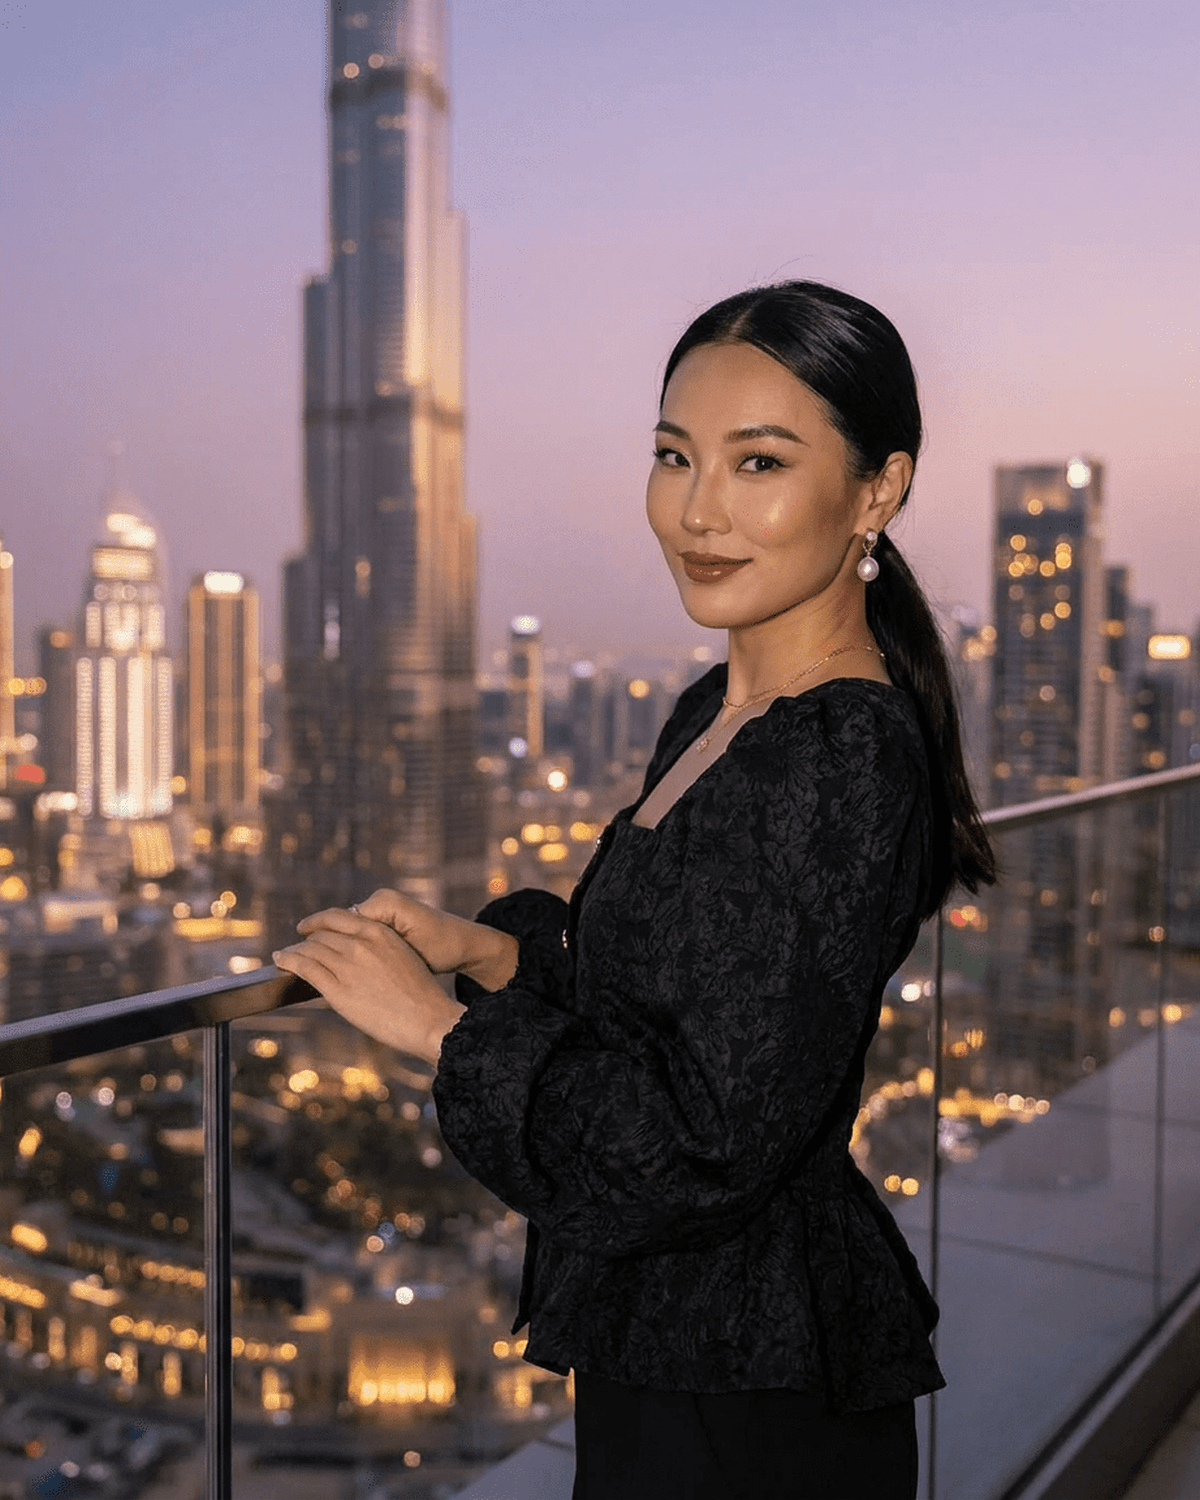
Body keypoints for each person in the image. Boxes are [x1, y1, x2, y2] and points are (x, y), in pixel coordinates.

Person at [273, 279, 996, 1500]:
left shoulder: (841, 754)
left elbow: (702, 1141)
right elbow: (692, 1005)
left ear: (877, 490)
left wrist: (440, 1030)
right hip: (681, 1343)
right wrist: (496, 957)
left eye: (758, 462)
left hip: (743, 1386)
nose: (697, 512)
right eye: (674, 456)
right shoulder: (717, 710)